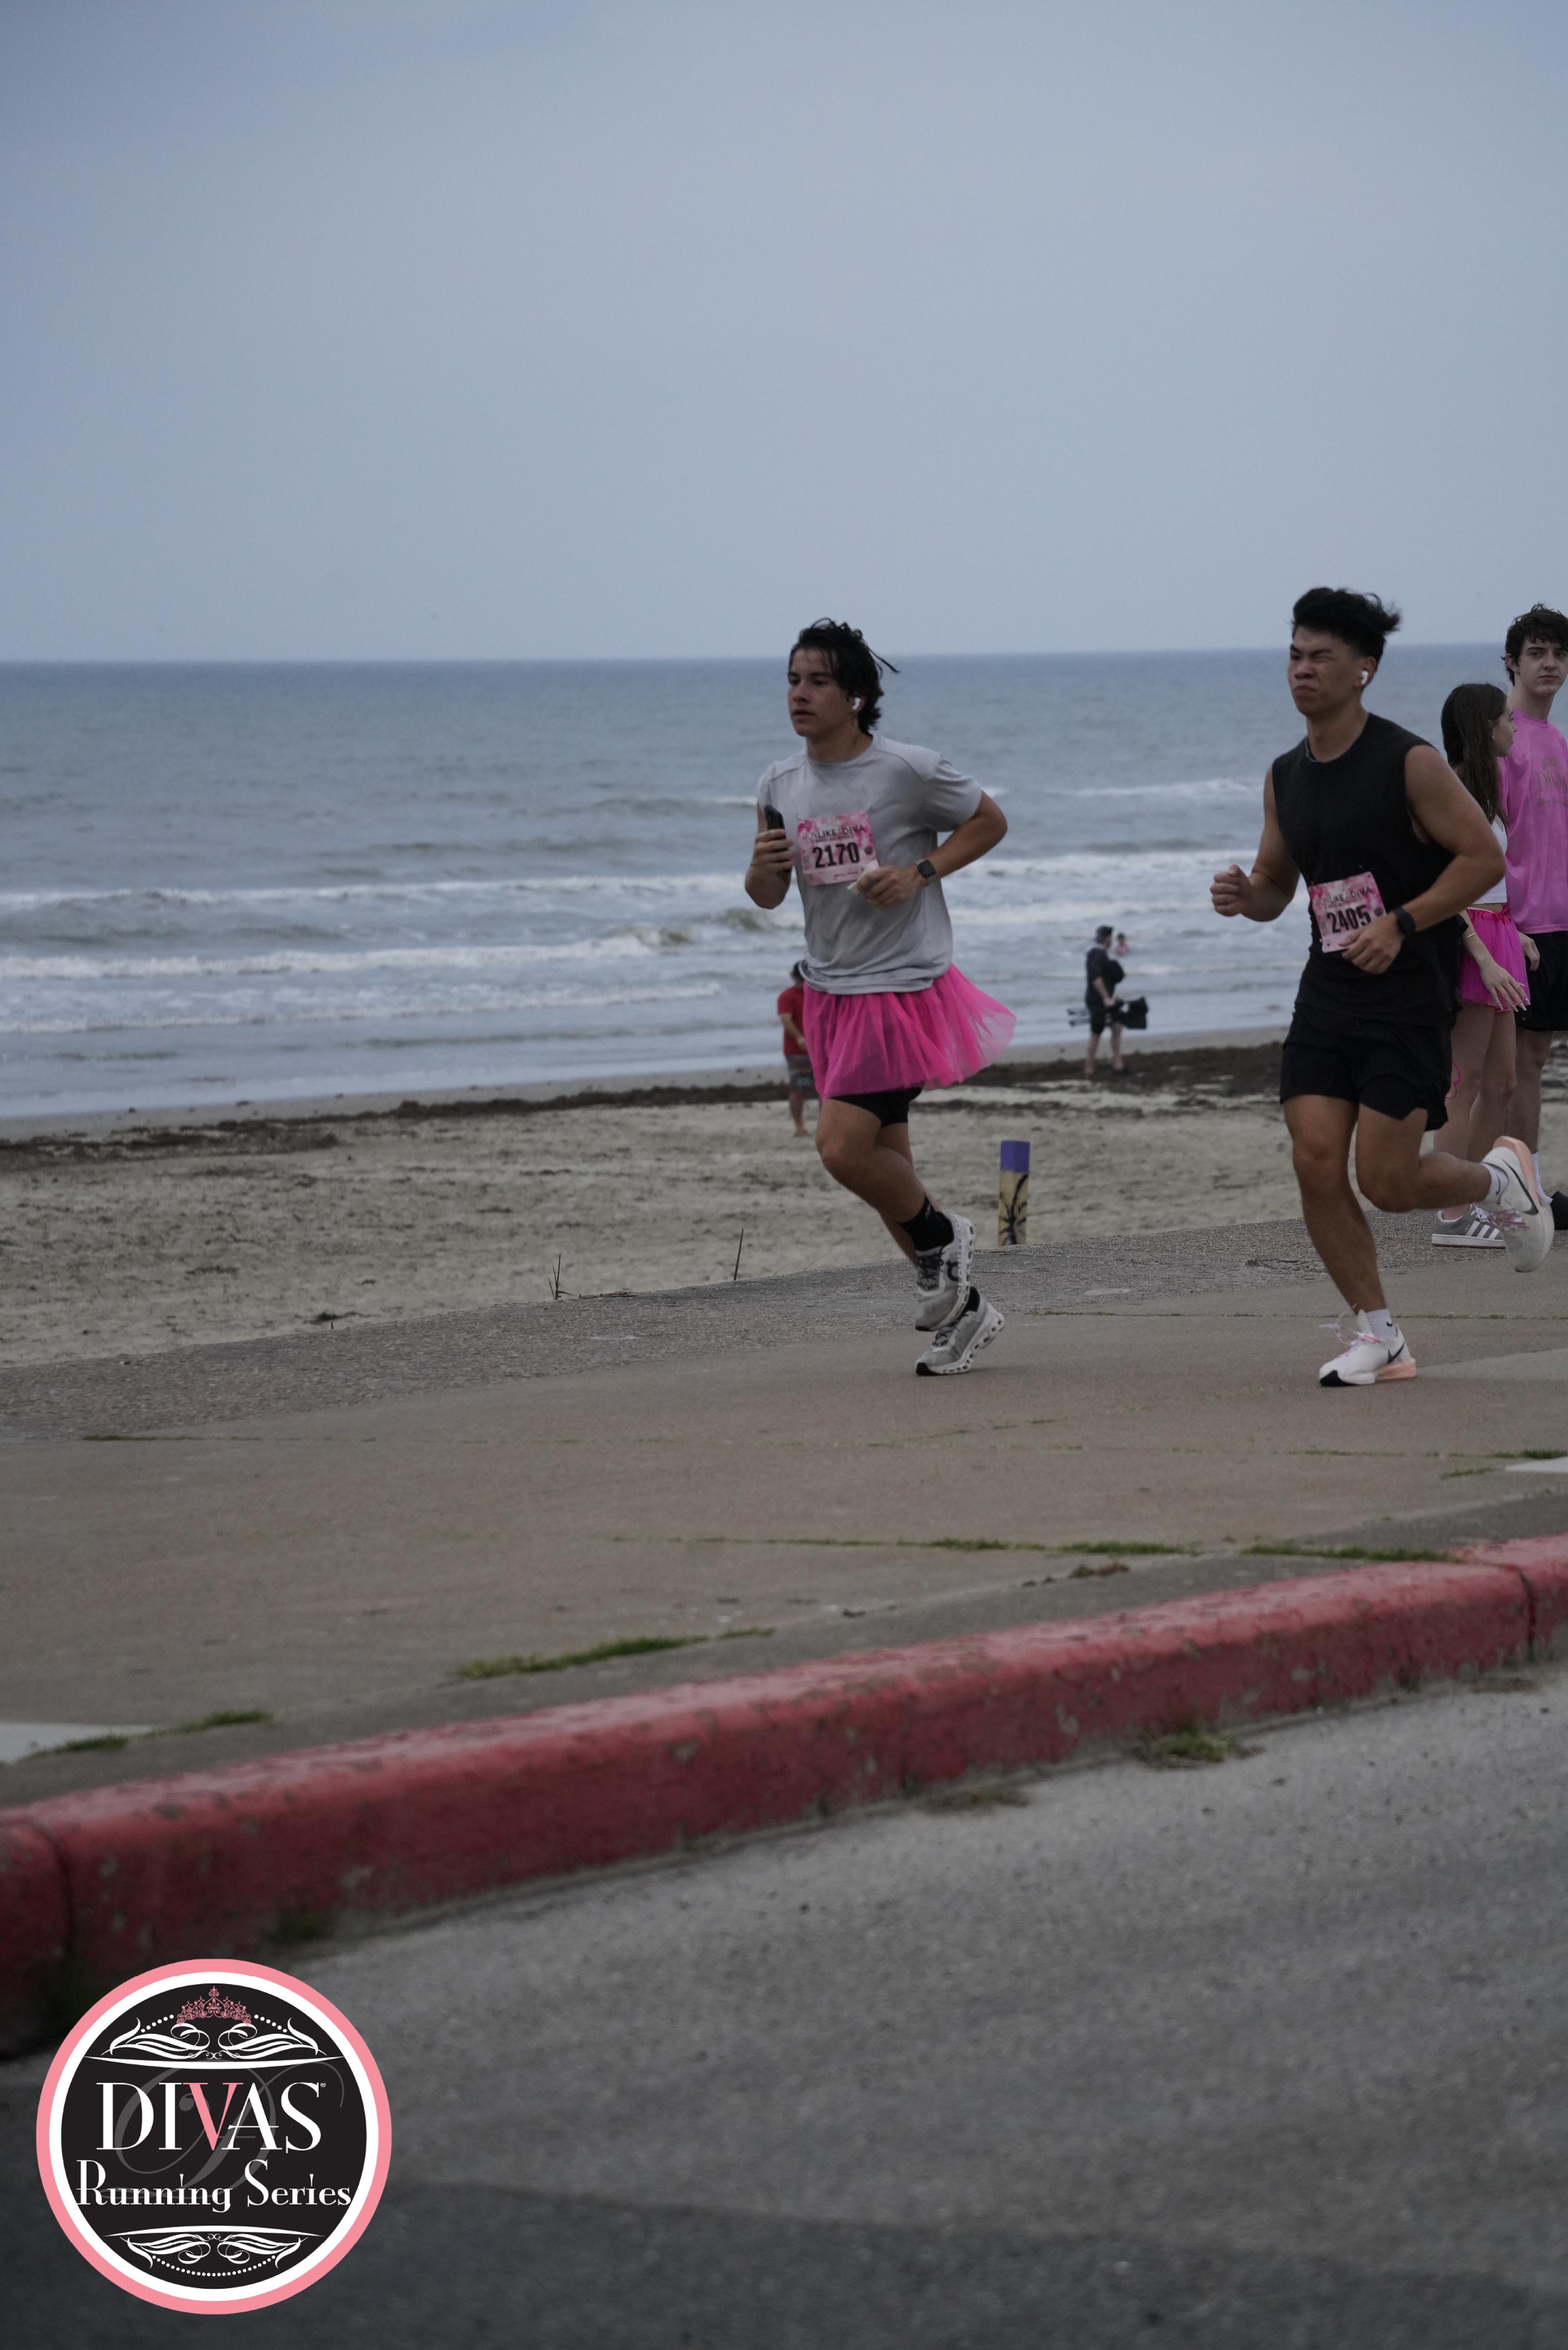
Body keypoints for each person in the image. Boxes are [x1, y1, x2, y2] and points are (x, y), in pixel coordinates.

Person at [1211, 586, 1552, 1389]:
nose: (1301, 669)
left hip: (1407, 995)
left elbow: (1483, 859)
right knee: (1314, 1160)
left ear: (1363, 669)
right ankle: (1378, 1333)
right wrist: (1244, 895)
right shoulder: (1285, 776)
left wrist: (1402, 922)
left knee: (1389, 1182)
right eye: (1294, 655)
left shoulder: (1408, 762)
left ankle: (1498, 1179)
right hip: (1327, 992)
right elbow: (1277, 885)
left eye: (1320, 657)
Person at [745, 619, 1013, 1375]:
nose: (800, 694)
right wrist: (762, 866)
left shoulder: (906, 770)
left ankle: (944, 1236)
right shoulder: (777, 784)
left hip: (901, 988)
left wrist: (917, 874)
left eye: (818, 682)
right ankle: (965, 1313)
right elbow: (766, 895)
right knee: (887, 1168)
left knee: (841, 1148)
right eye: (793, 680)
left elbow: (989, 821)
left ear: (857, 696)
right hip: (829, 992)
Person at [1429, 685, 1535, 1247]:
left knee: (1502, 1082)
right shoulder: (1451, 792)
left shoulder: (1484, 794)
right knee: (1463, 1082)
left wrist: (1514, 934)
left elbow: (1487, 881)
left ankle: (1479, 1197)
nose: (1513, 727)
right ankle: (1452, 1212)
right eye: (1505, 719)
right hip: (1471, 939)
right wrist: (1484, 955)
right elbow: (1440, 887)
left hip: (1498, 931)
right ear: (1483, 727)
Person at [1497, 605, 1568, 1213]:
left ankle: (1529, 1187)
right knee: (1517, 1063)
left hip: (1562, 919)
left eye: (1560, 654)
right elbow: (1480, 837)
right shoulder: (1502, 738)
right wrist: (1503, 923)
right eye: (1537, 653)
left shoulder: (1556, 739)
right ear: (1512, 663)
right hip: (1522, 925)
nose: (1550, 664)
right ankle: (1522, 1192)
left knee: (1537, 1058)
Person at [776, 961, 815, 1136]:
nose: (803, 983)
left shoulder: (819, 995)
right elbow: (786, 1019)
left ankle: (826, 1125)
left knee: (826, 1090)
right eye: (801, 979)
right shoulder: (787, 996)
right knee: (800, 1088)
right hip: (797, 1051)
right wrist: (799, 1037)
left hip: (821, 1050)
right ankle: (799, 1126)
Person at [1083, 925, 1124, 1076]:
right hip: (1097, 1000)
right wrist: (1106, 997)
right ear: (1107, 938)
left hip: (1107, 1001)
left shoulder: (1104, 955)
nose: (1112, 940)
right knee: (1097, 1032)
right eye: (1111, 937)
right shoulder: (1095, 954)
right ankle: (1089, 1067)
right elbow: (1096, 978)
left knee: (1117, 1026)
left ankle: (1117, 1063)